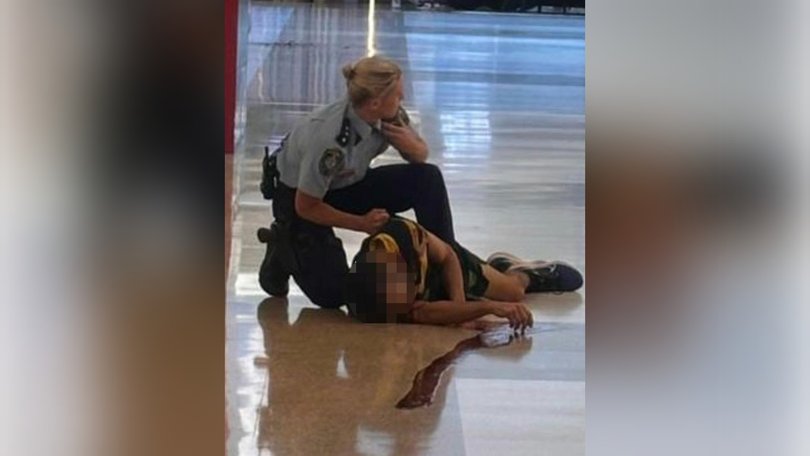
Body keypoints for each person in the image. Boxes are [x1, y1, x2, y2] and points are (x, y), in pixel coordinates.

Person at [257, 55, 455, 308]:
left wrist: (411, 147)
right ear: (374, 103)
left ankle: (446, 267)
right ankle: (281, 248)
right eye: (398, 95)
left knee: (427, 178)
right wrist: (361, 223)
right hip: (299, 197)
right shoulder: (330, 139)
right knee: (334, 295)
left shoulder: (388, 113)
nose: (402, 99)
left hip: (346, 184)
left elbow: (421, 153)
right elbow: (306, 205)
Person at [346, 216, 583, 330]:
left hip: (450, 269)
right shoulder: (366, 297)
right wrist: (484, 309)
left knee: (513, 293)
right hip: (427, 289)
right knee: (483, 308)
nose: (408, 307)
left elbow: (448, 255)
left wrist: (458, 305)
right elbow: (423, 314)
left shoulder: (406, 234)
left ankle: (522, 271)